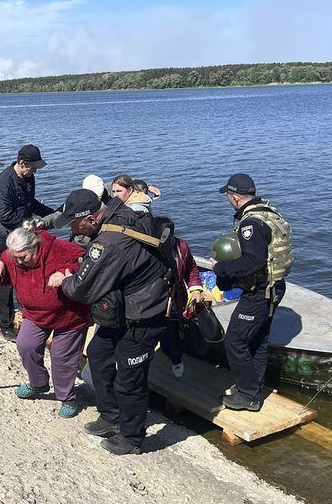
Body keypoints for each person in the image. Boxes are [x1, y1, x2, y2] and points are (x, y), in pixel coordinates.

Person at [48, 189, 169, 455]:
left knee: (130, 378)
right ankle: (111, 415)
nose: (73, 229)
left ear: (91, 219)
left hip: (143, 315)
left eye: (75, 223)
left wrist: (63, 280)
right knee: (99, 353)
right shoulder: (121, 213)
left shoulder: (109, 241)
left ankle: (132, 436)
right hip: (123, 308)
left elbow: (81, 289)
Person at [0, 223, 89, 418]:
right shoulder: (13, 256)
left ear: (35, 246)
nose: (18, 261)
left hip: (69, 315)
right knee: (26, 344)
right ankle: (38, 383)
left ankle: (67, 398)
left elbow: (84, 262)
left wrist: (64, 272)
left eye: (23, 257)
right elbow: (3, 265)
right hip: (35, 314)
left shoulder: (59, 248)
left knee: (61, 357)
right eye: (14, 257)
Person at [210, 173, 292, 412]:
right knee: (257, 340)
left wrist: (221, 267)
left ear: (235, 197)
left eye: (228, 195)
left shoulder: (250, 224)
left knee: (235, 340)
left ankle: (247, 395)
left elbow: (253, 261)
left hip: (260, 292)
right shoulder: (268, 212)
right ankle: (252, 387)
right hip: (274, 288)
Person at [0, 144, 55, 338]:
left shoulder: (29, 177)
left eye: (36, 168)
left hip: (23, 233)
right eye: (32, 167)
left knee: (28, 275)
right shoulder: (5, 180)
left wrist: (51, 214)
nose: (34, 171)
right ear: (21, 163)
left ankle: (29, 317)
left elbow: (31, 203)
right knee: (6, 281)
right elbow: (4, 215)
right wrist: (30, 224)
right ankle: (5, 325)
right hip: (4, 235)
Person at [155, 217, 205, 377]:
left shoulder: (181, 246)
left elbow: (191, 269)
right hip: (152, 299)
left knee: (171, 331)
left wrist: (195, 289)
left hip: (175, 298)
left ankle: (175, 358)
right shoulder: (146, 249)